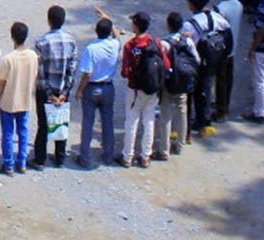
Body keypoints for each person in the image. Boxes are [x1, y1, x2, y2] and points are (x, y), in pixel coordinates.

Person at [119, 11, 169, 168]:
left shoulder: (130, 46)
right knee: (149, 121)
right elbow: (166, 65)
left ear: (136, 25)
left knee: (132, 122)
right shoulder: (155, 42)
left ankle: (127, 156)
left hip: (135, 90)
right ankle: (145, 156)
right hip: (152, 89)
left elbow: (124, 72)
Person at [32, 4, 77, 169]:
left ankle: (40, 159)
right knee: (61, 121)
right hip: (63, 89)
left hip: (45, 91)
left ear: (49, 20)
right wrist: (65, 92)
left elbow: (40, 71)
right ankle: (60, 157)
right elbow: (72, 68)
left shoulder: (41, 42)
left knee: (43, 125)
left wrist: (49, 93)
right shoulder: (71, 41)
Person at [184, 0, 231, 136]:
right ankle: (204, 121)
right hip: (213, 60)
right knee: (205, 90)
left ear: (192, 4)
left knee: (193, 93)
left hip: (197, 63)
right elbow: (228, 35)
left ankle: (190, 125)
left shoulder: (189, 25)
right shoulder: (216, 17)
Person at [74, 11, 120, 168]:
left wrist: (79, 90)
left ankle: (84, 157)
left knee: (88, 123)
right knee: (107, 122)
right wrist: (107, 18)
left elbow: (87, 73)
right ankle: (108, 155)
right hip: (108, 87)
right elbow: (116, 35)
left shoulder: (91, 48)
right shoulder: (114, 45)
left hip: (92, 88)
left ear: (96, 31)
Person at [0, 21, 37, 175]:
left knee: (7, 134)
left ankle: (8, 164)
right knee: (23, 132)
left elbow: (2, 82)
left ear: (12, 37)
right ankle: (22, 163)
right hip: (25, 100)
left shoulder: (8, 59)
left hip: (8, 101)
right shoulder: (33, 56)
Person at [155, 12, 196, 159]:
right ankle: (180, 146)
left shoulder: (165, 44)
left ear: (169, 25)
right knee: (182, 113)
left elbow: (160, 65)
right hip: (183, 83)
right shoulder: (188, 41)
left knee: (166, 116)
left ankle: (164, 150)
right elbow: (196, 60)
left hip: (169, 83)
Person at [214, 0, 243, 122]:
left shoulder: (221, 9)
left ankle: (221, 110)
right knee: (228, 78)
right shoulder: (238, 5)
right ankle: (225, 103)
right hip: (233, 47)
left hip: (223, 49)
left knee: (221, 80)